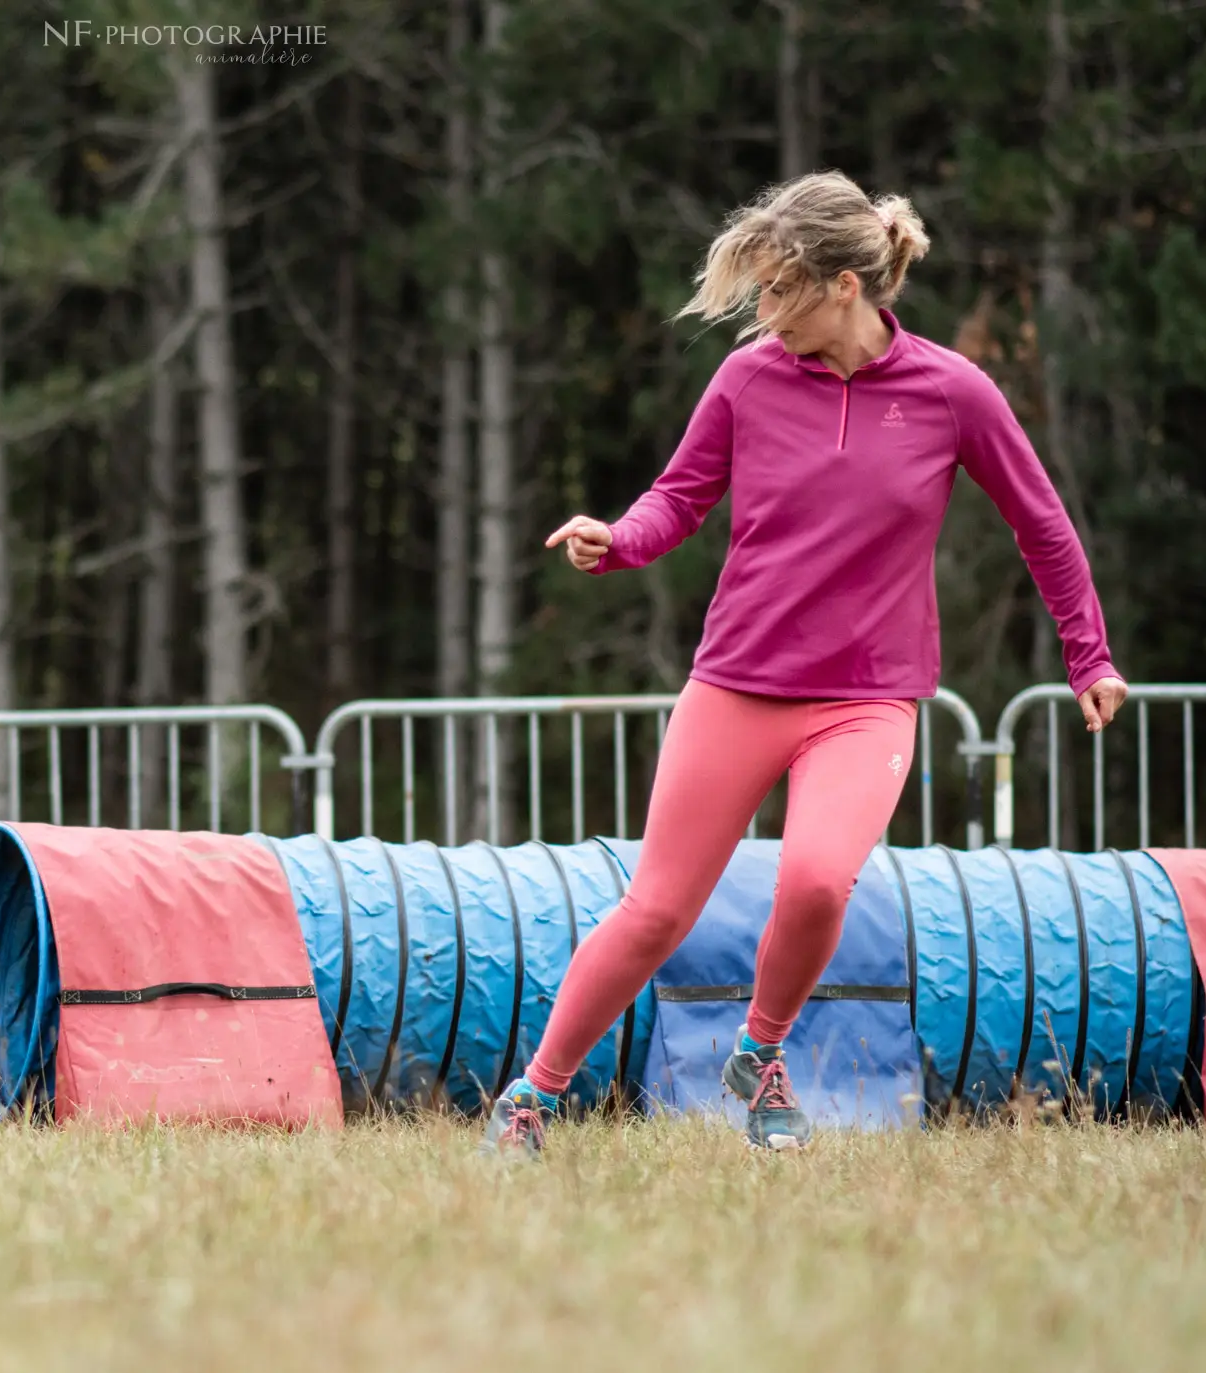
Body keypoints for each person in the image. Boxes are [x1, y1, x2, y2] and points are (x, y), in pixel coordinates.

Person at [483, 170, 1129, 1156]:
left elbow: (1038, 522)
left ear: (843, 286)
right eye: (759, 290)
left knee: (820, 879)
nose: (764, 311)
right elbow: (678, 497)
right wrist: (615, 538)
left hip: (866, 700)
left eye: (782, 289)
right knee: (655, 909)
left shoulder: (952, 390)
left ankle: (759, 1052)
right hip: (735, 681)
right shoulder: (746, 377)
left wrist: (1087, 654)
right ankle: (528, 1097)